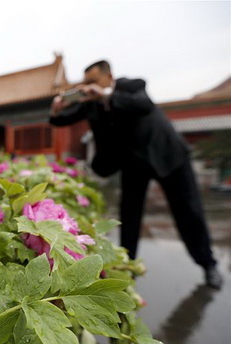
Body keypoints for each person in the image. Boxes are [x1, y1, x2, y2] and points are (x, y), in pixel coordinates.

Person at [49, 60, 222, 289]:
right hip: (133, 163)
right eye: (86, 82)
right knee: (129, 217)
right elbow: (61, 120)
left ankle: (208, 264)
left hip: (168, 156)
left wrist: (107, 95)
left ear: (108, 76)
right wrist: (56, 109)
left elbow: (144, 105)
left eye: (93, 81)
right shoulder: (89, 104)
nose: (88, 86)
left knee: (189, 212)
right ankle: (127, 270)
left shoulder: (130, 86)